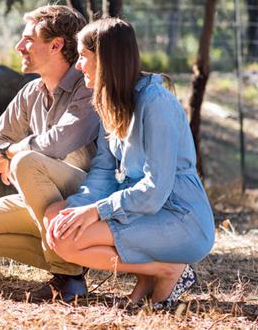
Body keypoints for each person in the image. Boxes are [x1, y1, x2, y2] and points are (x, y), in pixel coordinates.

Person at [45, 18, 215, 308]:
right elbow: (103, 171)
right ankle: (147, 277)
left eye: (83, 56)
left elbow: (155, 189)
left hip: (179, 218)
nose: (78, 66)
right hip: (138, 210)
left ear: (105, 60)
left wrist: (96, 211)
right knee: (56, 217)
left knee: (68, 241)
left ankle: (169, 270)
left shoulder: (156, 103)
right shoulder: (109, 101)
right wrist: (77, 208)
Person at [0, 4, 100, 301]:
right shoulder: (32, 91)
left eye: (28, 40)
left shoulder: (87, 88)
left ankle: (67, 278)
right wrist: (2, 153)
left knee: (27, 161)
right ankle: (75, 259)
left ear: (56, 45)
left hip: (88, 200)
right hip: (44, 201)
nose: (19, 47)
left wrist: (11, 155)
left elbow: (58, 143)